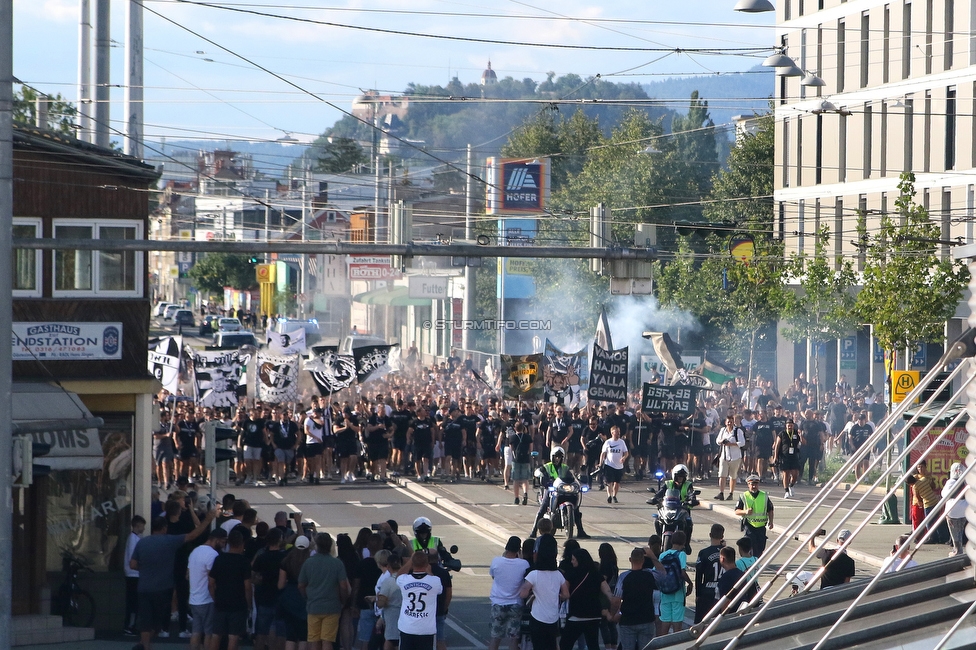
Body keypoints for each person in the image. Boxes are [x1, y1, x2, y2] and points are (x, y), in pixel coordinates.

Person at [130, 509, 216, 650]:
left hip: (144, 587)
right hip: (163, 588)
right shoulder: (169, 540)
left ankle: (144, 646)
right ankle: (145, 644)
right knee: (158, 623)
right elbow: (193, 535)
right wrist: (207, 520)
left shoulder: (142, 543)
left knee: (145, 621)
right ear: (164, 528)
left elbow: (132, 564)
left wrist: (145, 568)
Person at [299, 533, 352, 650]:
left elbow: (301, 584)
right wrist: (343, 600)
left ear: (317, 545)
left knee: (314, 640)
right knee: (327, 640)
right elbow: (343, 586)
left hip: (314, 605)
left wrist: (308, 596)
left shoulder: (309, 562)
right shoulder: (337, 563)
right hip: (332, 606)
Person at [519, 535, 570, 650]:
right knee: (551, 645)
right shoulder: (558, 575)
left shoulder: (534, 574)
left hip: (537, 617)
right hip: (553, 618)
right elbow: (566, 594)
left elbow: (523, 593)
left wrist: (532, 595)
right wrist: (557, 596)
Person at [559, 548, 614, 650]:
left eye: (573, 559)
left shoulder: (571, 574)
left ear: (579, 560)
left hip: (576, 615)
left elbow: (565, 594)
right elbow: (608, 591)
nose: (571, 562)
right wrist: (614, 607)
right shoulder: (596, 574)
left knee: (565, 644)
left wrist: (559, 598)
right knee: (593, 644)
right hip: (594, 615)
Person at [529, 446, 590, 538]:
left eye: (560, 457)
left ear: (563, 458)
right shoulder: (546, 467)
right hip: (551, 490)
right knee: (543, 508)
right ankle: (533, 531)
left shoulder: (565, 467)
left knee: (576, 509)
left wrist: (578, 483)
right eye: (556, 456)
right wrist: (543, 478)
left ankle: (580, 531)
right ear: (552, 456)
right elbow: (538, 472)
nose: (557, 459)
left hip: (563, 489)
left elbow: (572, 477)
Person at [209, 529, 253, 650]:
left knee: (216, 634)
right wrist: (248, 604)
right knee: (233, 636)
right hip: (238, 604)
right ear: (241, 543)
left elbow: (211, 583)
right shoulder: (244, 562)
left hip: (220, 602)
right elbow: (247, 587)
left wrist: (215, 597)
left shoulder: (219, 559)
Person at [187, 528, 227, 650]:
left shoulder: (195, 551)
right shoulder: (212, 554)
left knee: (196, 631)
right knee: (209, 633)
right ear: (217, 540)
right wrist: (215, 597)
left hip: (194, 599)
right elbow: (213, 579)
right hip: (207, 598)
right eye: (223, 541)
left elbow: (187, 575)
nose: (224, 545)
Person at [612, 547, 659, 650]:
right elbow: (663, 573)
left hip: (628, 620)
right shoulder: (650, 574)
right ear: (643, 560)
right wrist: (652, 556)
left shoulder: (624, 577)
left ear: (630, 559)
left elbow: (616, 600)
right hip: (647, 618)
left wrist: (614, 614)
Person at [487, 536, 529, 650]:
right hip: (516, 603)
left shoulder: (496, 561)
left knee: (495, 637)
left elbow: (493, 576)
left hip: (498, 603)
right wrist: (520, 558)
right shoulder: (524, 564)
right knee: (514, 638)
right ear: (518, 550)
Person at [397, 551, 443, 650]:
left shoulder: (404, 580)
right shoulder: (435, 581)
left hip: (407, 627)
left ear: (412, 564)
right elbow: (439, 590)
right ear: (427, 564)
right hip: (426, 629)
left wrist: (410, 560)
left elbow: (398, 575)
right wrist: (429, 571)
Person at [252, 529, 288, 650]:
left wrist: (259, 581)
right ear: (280, 540)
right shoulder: (284, 557)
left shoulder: (262, 557)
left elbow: (253, 575)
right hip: (280, 597)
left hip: (264, 596)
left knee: (261, 632)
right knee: (279, 632)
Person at [648, 464, 697, 553]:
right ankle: (659, 539)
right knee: (656, 520)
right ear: (674, 476)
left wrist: (692, 500)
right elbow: (661, 492)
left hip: (682, 509)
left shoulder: (688, 484)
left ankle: (686, 543)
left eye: (682, 477)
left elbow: (691, 493)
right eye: (678, 477)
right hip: (668, 508)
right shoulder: (668, 483)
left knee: (689, 523)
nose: (680, 479)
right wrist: (654, 498)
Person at [657, 530, 692, 636]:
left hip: (665, 593)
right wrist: (690, 583)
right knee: (677, 625)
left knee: (665, 622)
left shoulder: (663, 555)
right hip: (678, 594)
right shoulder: (681, 554)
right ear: (684, 542)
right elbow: (682, 572)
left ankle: (663, 645)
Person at [733, 474, 774, 558]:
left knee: (760, 547)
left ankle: (756, 559)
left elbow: (770, 509)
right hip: (749, 525)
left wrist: (771, 522)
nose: (754, 486)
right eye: (752, 484)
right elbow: (736, 511)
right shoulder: (743, 496)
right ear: (748, 484)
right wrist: (745, 512)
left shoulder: (764, 496)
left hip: (761, 526)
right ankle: (752, 562)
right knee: (751, 545)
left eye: (756, 484)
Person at [694, 524, 725, 624]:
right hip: (722, 590)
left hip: (706, 591)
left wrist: (698, 594)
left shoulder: (704, 553)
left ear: (710, 535)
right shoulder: (726, 552)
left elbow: (699, 574)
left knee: (702, 622)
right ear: (722, 537)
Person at [124, 515, 146, 636]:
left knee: (133, 602)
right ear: (138, 525)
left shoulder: (134, 538)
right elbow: (133, 558)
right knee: (133, 602)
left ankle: (131, 625)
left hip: (134, 574)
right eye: (142, 525)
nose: (143, 528)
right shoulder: (133, 539)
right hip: (133, 574)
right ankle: (129, 626)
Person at [715, 415, 745, 501]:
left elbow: (742, 442)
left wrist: (731, 444)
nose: (729, 423)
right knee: (722, 475)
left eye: (731, 422)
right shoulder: (723, 430)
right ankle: (721, 493)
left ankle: (731, 493)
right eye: (728, 421)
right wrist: (722, 441)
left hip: (735, 457)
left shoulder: (738, 431)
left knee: (733, 476)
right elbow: (717, 441)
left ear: (733, 422)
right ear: (725, 422)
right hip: (724, 456)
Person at [943, 462, 969, 556]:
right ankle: (959, 549)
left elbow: (944, 494)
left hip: (953, 510)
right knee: (960, 530)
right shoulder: (966, 481)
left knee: (955, 532)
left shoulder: (951, 481)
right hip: (965, 509)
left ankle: (957, 550)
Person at [772, 419, 801, 498]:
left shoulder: (796, 433)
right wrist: (775, 457)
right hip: (784, 456)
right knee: (786, 473)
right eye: (788, 424)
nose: (789, 426)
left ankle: (791, 485)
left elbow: (801, 442)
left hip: (794, 456)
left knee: (795, 474)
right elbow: (777, 446)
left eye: (791, 424)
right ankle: (786, 491)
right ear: (786, 425)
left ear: (793, 425)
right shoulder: (782, 434)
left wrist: (801, 435)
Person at [599, 426, 629, 504]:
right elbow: (603, 453)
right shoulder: (608, 442)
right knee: (609, 481)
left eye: (619, 432)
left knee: (617, 482)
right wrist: (600, 463)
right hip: (609, 464)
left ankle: (614, 496)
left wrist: (624, 458)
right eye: (616, 432)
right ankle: (609, 495)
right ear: (612, 433)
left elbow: (626, 452)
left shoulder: (622, 442)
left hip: (619, 466)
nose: (618, 433)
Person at [510, 422, 534, 506]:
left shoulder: (512, 438)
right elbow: (531, 449)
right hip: (525, 459)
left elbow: (511, 449)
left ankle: (516, 497)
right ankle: (525, 493)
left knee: (516, 480)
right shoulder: (528, 437)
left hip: (516, 460)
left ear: (515, 428)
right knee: (525, 479)